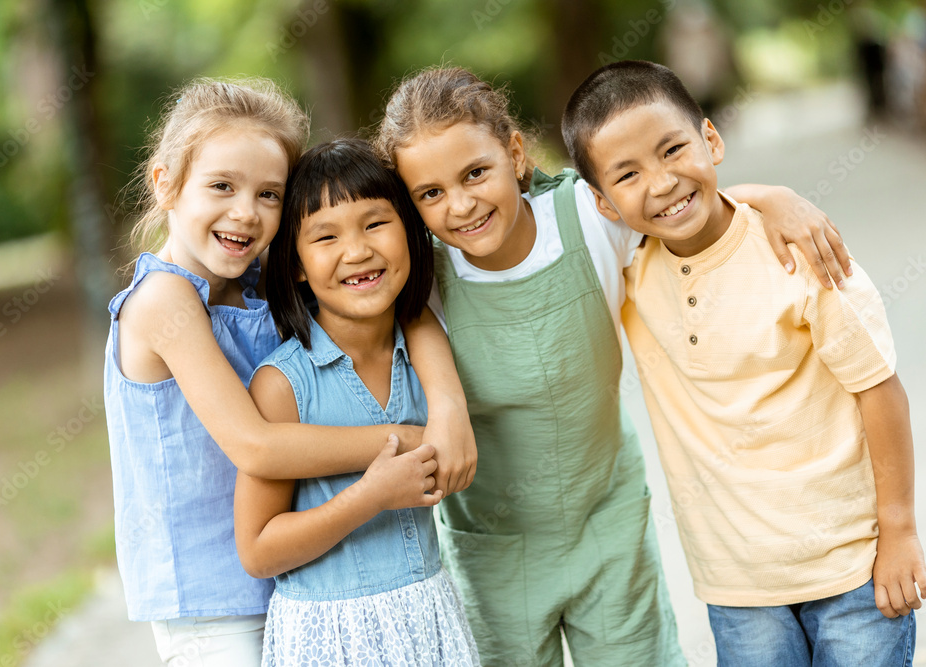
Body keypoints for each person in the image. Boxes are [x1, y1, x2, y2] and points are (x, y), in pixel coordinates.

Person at [373, 66, 856, 666]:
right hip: (493, 547)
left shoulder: (587, 216)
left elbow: (674, 203)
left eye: (476, 173)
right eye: (431, 193)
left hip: (609, 524)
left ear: (516, 152)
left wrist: (768, 197)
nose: (462, 204)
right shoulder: (424, 279)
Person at [562, 59, 923, 666]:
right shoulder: (629, 271)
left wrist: (900, 531)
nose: (661, 182)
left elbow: (879, 390)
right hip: (739, 587)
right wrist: (762, 190)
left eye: (673, 149)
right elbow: (518, 206)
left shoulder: (801, 254)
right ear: (603, 203)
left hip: (854, 566)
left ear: (712, 139)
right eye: (628, 174)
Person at [104, 79, 474, 667]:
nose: (245, 212)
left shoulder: (256, 290)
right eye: (222, 186)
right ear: (166, 182)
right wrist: (409, 441)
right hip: (210, 606)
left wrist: (449, 404)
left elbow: (405, 309)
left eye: (269, 194)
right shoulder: (163, 301)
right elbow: (256, 447)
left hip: (292, 579)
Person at [234, 138, 480, 666]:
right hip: (331, 635)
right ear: (296, 265)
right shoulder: (284, 385)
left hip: (428, 614)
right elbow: (258, 549)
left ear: (410, 235)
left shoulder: (423, 353)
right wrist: (370, 496)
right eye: (325, 236)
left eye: (375, 224)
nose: (358, 250)